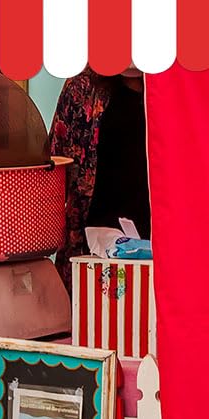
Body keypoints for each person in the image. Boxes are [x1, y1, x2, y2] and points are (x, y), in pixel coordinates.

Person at [48, 67, 149, 270]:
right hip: (91, 241)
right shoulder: (82, 87)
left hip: (163, 235)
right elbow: (56, 162)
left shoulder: (179, 89)